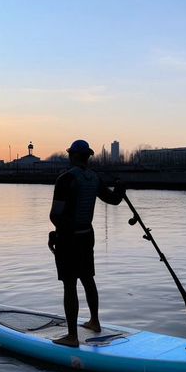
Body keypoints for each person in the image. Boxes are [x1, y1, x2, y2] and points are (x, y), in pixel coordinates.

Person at [49, 139, 125, 347]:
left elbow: (55, 216)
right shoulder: (94, 178)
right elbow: (114, 200)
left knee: (70, 284)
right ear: (88, 156)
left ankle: (72, 336)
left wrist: (55, 235)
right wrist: (120, 189)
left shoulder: (65, 179)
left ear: (73, 156)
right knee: (88, 279)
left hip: (69, 238)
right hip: (86, 235)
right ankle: (94, 321)